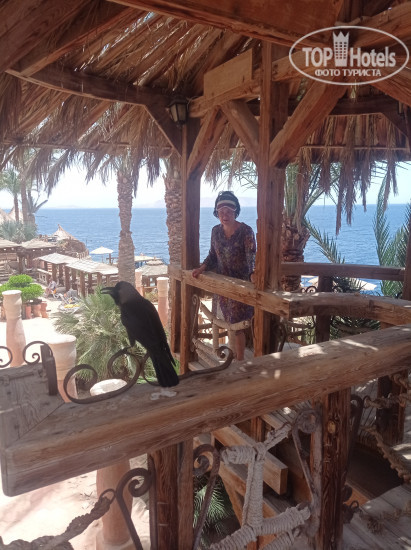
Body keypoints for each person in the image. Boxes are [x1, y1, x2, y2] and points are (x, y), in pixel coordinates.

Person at [192, 190, 256, 360]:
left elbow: (251, 257)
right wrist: (202, 268)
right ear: (216, 213)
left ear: (235, 211)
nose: (224, 215)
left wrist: (252, 275)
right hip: (223, 287)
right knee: (229, 323)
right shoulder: (215, 231)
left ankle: (240, 361)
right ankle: (233, 358)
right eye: (221, 211)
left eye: (228, 211)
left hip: (241, 286)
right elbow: (212, 256)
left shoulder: (246, 231)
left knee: (238, 326)